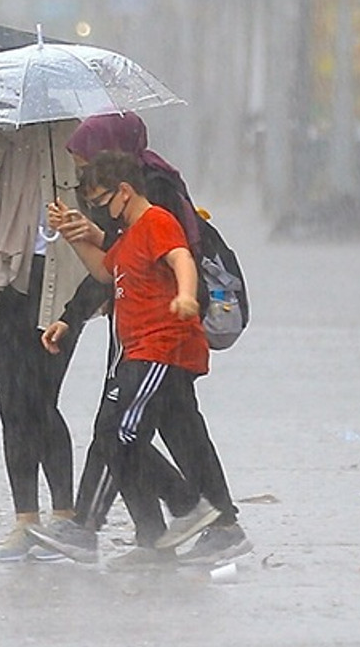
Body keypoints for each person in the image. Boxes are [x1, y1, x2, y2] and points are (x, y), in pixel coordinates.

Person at [28, 113, 251, 566]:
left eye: (89, 168)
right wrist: (80, 247)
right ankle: (174, 533)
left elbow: (175, 256)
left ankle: (165, 516)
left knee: (117, 431)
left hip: (160, 335)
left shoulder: (153, 199)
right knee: (174, 430)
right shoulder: (126, 210)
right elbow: (109, 266)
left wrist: (186, 296)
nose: (85, 182)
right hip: (144, 334)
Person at [0, 120, 93, 562]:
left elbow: (100, 206)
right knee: (11, 404)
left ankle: (65, 515)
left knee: (41, 400)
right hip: (1, 278)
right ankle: (25, 520)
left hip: (59, 279)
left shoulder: (75, 135)